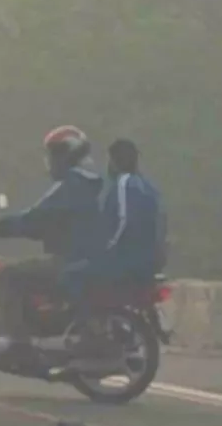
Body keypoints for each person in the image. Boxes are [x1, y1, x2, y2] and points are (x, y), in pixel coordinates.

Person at [0, 125, 104, 358]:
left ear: (66, 156)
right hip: (86, 258)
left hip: (71, 261)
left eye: (53, 155)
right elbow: (47, 224)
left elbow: (35, 218)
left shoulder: (72, 186)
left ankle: (19, 343)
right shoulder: (90, 183)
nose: (50, 161)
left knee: (5, 275)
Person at [58, 138, 166, 329]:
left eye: (109, 160)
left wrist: (105, 249)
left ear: (116, 161)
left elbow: (123, 220)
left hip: (127, 260)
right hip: (147, 259)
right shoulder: (147, 186)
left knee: (70, 275)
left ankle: (88, 327)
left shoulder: (125, 183)